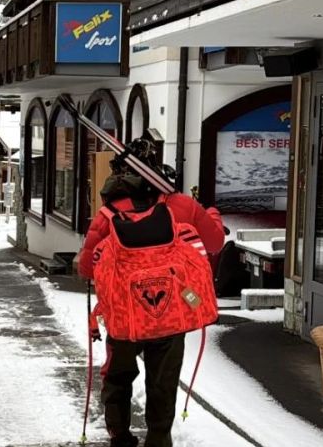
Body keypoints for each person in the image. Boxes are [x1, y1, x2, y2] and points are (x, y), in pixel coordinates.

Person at [76, 143, 224, 447]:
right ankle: (159, 438)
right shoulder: (181, 205)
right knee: (163, 380)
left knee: (118, 376)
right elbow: (215, 242)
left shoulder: (108, 214)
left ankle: (120, 437)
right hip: (172, 313)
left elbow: (87, 270)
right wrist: (210, 212)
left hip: (124, 317)